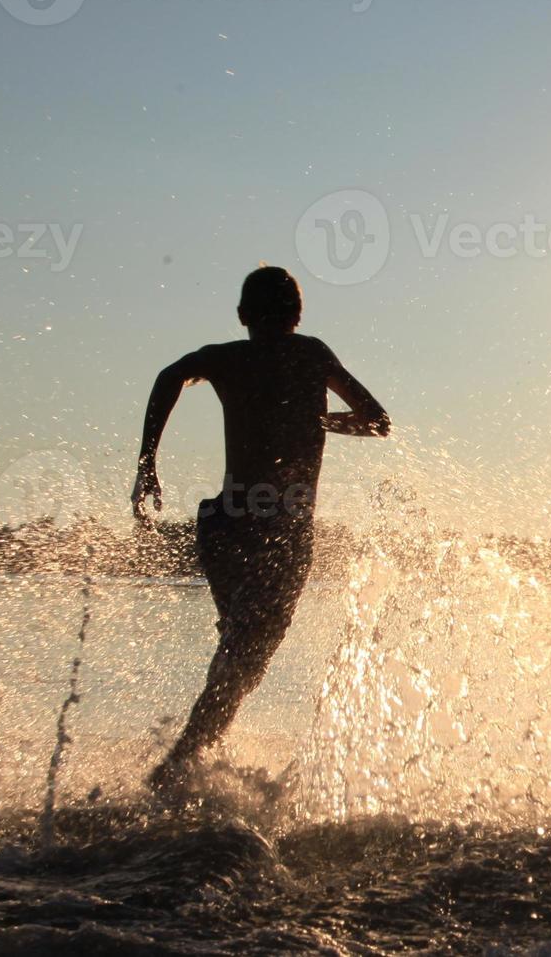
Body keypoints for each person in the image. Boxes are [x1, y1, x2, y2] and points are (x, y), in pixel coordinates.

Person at [130, 265, 390, 797]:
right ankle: (182, 763)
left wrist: (147, 461)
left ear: (243, 315)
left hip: (225, 524)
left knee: (240, 651)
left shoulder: (227, 357)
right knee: (247, 654)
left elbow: (169, 375)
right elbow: (376, 420)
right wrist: (322, 422)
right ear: (299, 315)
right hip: (283, 530)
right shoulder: (312, 355)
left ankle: (188, 765)